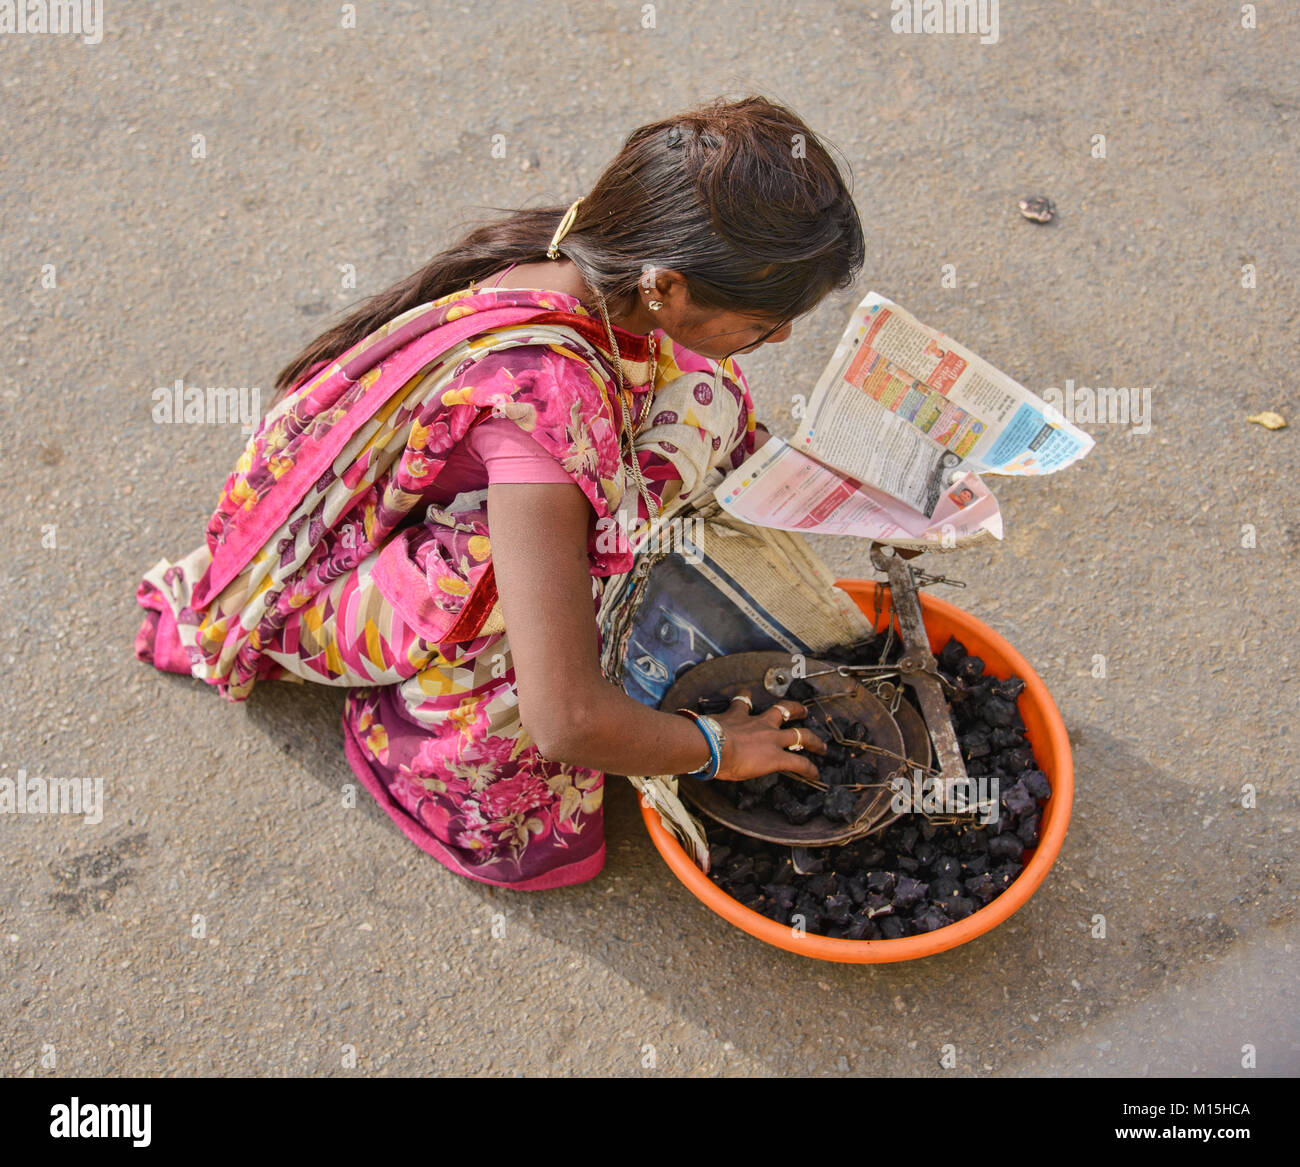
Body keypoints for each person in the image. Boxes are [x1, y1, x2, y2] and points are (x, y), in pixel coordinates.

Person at [133, 95, 866, 889]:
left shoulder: (587, 258)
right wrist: (717, 745)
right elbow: (566, 721)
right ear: (668, 289)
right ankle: (420, 738)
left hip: (436, 505)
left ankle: (583, 554)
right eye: (767, 321)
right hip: (339, 590)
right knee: (537, 818)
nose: (782, 338)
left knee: (707, 385)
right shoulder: (542, 416)